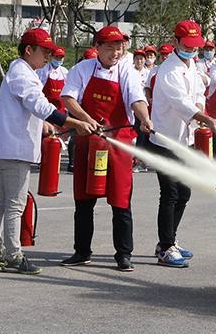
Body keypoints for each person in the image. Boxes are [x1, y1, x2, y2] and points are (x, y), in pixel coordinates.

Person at [0, 28, 94, 275]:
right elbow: (39, 104)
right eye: (44, 51)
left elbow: (28, 107)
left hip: (14, 146)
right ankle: (13, 255)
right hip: (16, 148)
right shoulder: (22, 73)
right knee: (15, 204)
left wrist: (44, 124)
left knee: (3, 200)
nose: (47, 56)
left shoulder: (24, 72)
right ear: (29, 50)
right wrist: (73, 122)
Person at [59, 26, 152, 272]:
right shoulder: (82, 69)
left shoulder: (127, 71)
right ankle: (81, 251)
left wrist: (144, 118)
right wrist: (85, 119)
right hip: (88, 141)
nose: (115, 52)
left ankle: (123, 254)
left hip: (119, 143)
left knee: (121, 200)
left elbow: (137, 99)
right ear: (97, 47)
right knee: (83, 198)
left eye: (119, 47)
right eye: (109, 47)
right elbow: (68, 98)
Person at [149, 20, 216, 268]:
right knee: (169, 193)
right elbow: (181, 103)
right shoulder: (168, 71)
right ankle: (165, 247)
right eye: (187, 45)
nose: (191, 50)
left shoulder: (191, 65)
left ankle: (170, 240)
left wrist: (202, 109)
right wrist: (205, 118)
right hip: (165, 141)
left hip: (186, 140)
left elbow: (198, 94)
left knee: (184, 192)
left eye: (195, 46)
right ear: (176, 42)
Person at [37, 46, 68, 114]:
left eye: (61, 57)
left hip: (60, 107)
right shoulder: (43, 69)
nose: (59, 59)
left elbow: (66, 90)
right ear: (51, 56)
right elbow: (38, 88)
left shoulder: (64, 71)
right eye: (56, 57)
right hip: (46, 106)